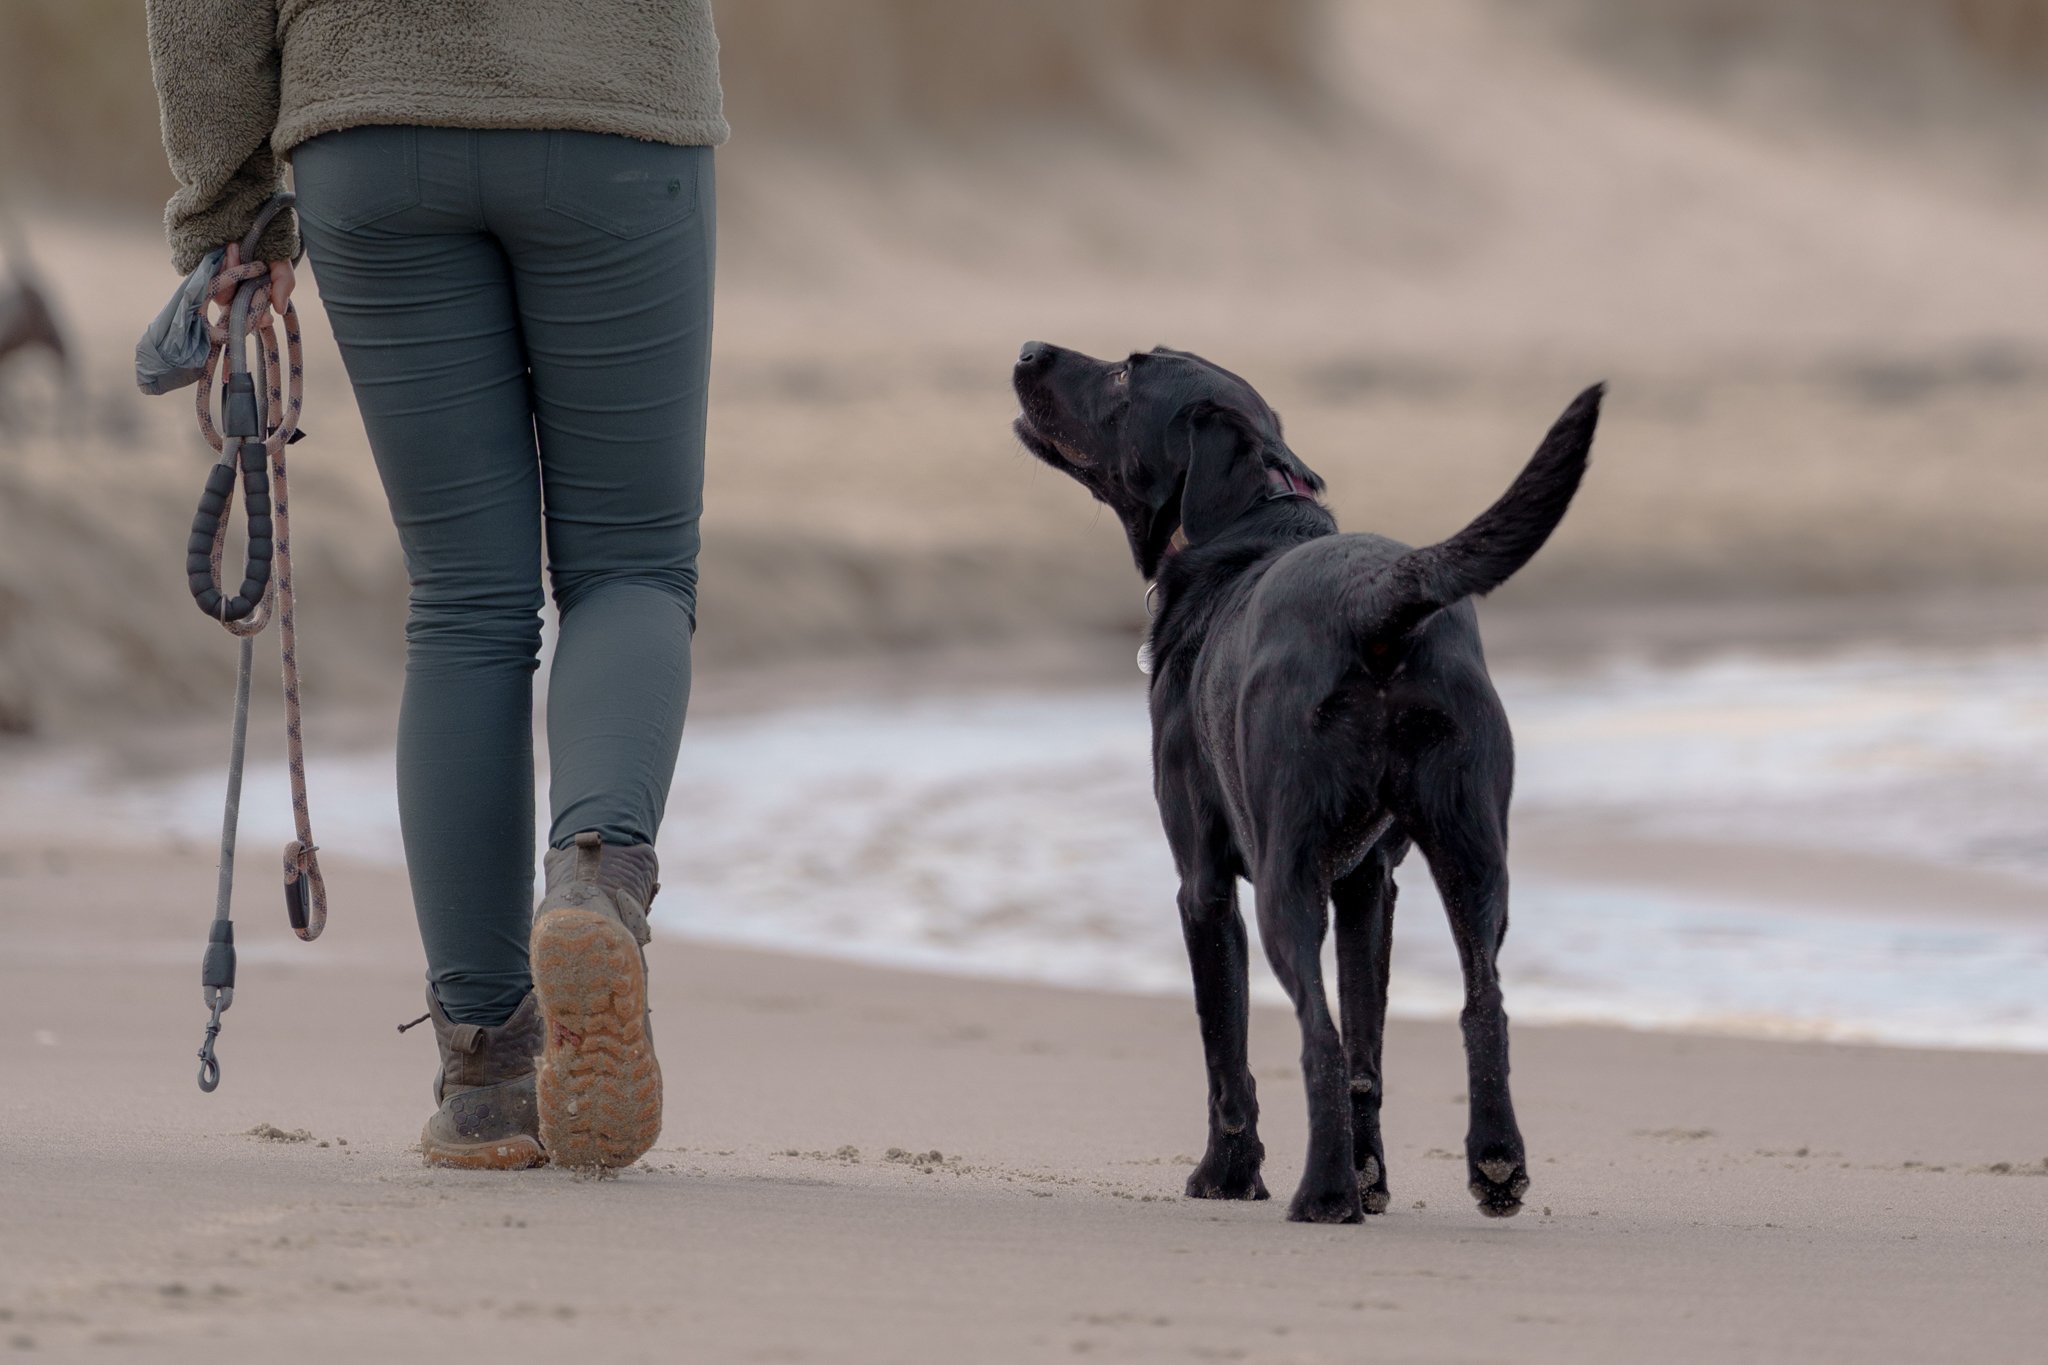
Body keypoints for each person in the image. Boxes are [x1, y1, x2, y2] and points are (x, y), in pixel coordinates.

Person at [145, 1, 727, 1170]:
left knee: (466, 597)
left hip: (373, 122)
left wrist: (225, 205)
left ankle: (485, 1068)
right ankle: (595, 879)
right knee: (627, 566)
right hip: (613, 100)